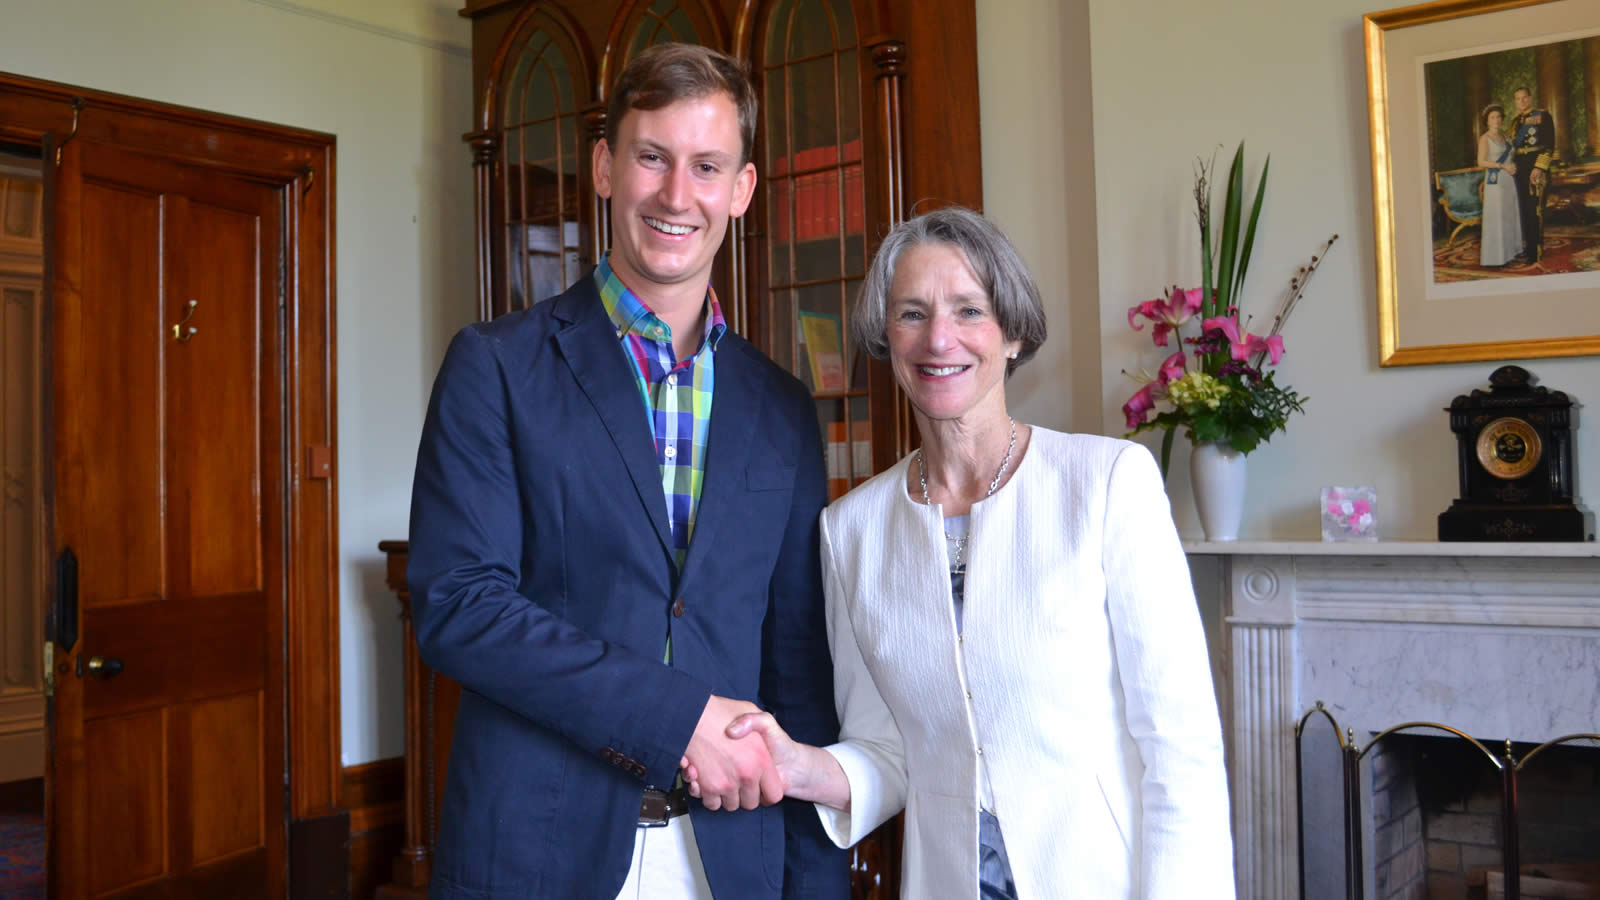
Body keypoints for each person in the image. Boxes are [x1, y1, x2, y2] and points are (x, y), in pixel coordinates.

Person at [690, 206, 1236, 898]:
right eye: (912, 313)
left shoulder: (1106, 486)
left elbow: (1179, 746)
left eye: (969, 310)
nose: (939, 338)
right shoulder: (848, 531)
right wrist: (794, 764)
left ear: (1011, 334)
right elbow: (888, 752)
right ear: (885, 337)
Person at [407, 43, 847, 900]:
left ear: (742, 190)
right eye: (652, 157)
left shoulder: (784, 409)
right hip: (540, 854)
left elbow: (797, 672)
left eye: (706, 166)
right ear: (606, 168)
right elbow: (461, 605)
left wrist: (811, 881)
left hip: (732, 859)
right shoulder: (496, 367)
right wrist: (676, 718)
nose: (678, 195)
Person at [1509, 86, 1556, 263]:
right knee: (1522, 209)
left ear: (1530, 98)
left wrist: (1539, 168)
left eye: (1524, 98)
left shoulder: (1543, 116)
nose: (1521, 102)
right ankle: (1527, 247)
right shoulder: (1515, 123)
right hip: (1519, 168)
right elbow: (1513, 148)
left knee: (1534, 209)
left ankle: (1535, 250)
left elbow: (1549, 145)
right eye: (1518, 99)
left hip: (1535, 167)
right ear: (1515, 102)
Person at [1476, 103, 1522, 267]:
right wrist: (1502, 166)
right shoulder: (1485, 138)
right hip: (1495, 182)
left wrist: (1513, 165)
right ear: (1487, 121)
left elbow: (1511, 157)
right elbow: (1481, 162)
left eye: (1498, 117)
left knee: (1509, 215)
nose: (1496, 120)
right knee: (1497, 216)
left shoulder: (1506, 138)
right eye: (1492, 117)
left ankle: (1510, 252)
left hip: (1509, 180)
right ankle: (1496, 257)